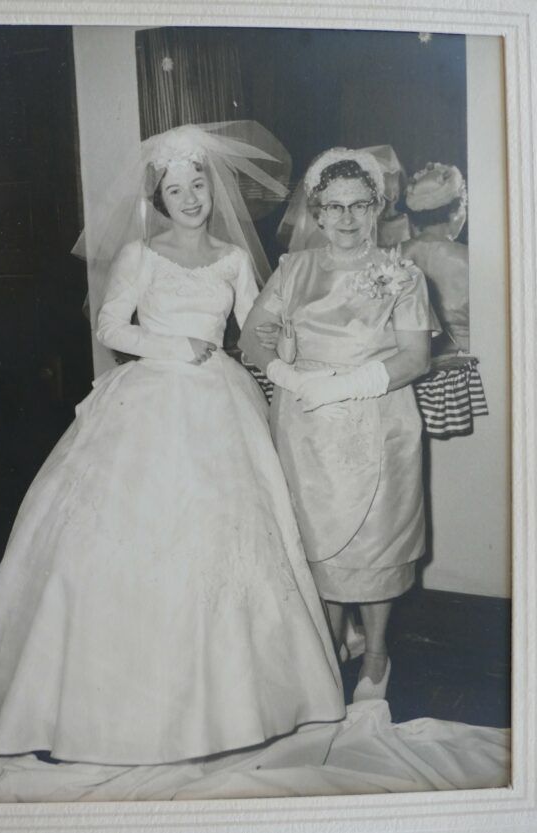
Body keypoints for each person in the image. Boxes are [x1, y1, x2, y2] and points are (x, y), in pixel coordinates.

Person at [0, 122, 345, 768]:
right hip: (147, 398)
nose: (191, 196)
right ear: (160, 198)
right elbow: (112, 323)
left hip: (220, 405)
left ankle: (237, 703)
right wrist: (171, 345)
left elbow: (257, 330)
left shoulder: (232, 258)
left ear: (213, 186)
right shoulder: (140, 255)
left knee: (228, 540)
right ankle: (111, 707)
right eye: (176, 188)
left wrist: (306, 340)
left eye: (198, 182)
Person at [239, 147, 437, 702]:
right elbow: (252, 335)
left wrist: (345, 385)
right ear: (316, 212)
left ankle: (375, 654)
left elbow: (416, 357)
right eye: (334, 207)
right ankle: (330, 642)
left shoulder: (401, 275)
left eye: (359, 206)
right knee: (318, 537)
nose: (346, 219)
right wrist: (287, 374)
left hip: (379, 417)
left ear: (378, 208)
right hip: (305, 424)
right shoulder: (294, 269)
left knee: (377, 537)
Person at [402, 161, 469, 357]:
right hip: (469, 368)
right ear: (456, 212)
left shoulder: (394, 256)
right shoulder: (473, 259)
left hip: (411, 369)